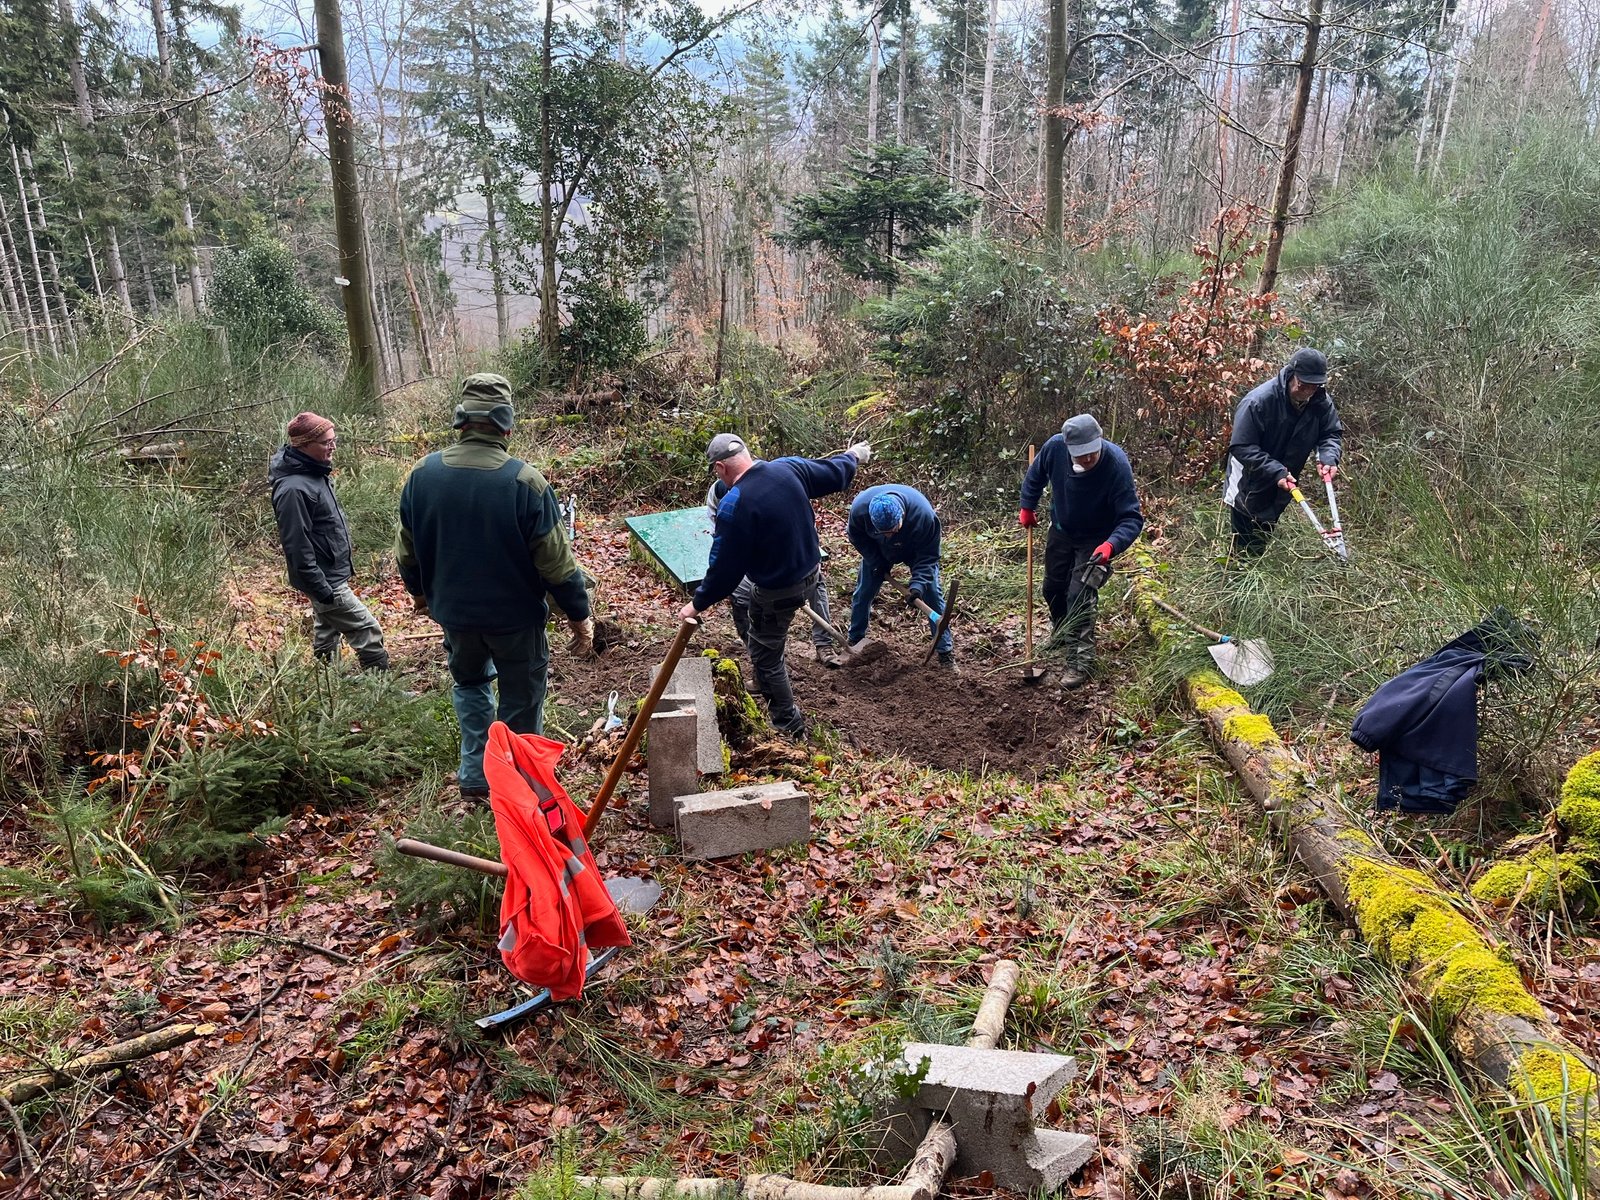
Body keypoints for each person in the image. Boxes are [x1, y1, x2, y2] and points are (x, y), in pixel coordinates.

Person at [396, 374, 594, 799]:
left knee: (469, 686)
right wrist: (579, 616)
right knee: (521, 702)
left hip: (455, 616)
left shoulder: (421, 475)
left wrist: (418, 594)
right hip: (515, 622)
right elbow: (558, 566)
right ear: (506, 424)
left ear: (462, 420)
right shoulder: (526, 482)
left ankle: (476, 778)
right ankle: (521, 789)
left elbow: (407, 552)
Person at [677, 433, 868, 740]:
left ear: (722, 468)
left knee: (766, 658)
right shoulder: (787, 468)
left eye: (716, 470)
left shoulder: (734, 504)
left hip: (779, 591)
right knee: (740, 596)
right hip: (810, 573)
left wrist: (696, 604)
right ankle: (754, 639)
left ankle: (789, 726)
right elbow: (835, 474)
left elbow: (724, 571)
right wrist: (854, 456)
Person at [1019, 413, 1144, 690]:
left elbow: (1132, 518)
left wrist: (1111, 545)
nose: (1086, 459)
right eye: (1080, 455)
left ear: (1099, 442)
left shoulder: (1115, 463)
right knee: (1052, 588)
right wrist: (1027, 506)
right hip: (1062, 530)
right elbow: (1035, 476)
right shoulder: (1054, 448)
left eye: (1091, 453)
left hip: (1096, 541)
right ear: (1068, 447)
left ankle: (1080, 661)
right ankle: (1063, 632)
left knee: (1080, 597)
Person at [269, 411, 390, 671]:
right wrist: (319, 586)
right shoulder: (293, 489)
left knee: (327, 630)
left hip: (330, 574)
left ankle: (328, 687)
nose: (333, 446)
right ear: (304, 445)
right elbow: (296, 545)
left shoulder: (315, 474)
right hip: (324, 579)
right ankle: (383, 692)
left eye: (334, 440)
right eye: (326, 442)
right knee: (367, 630)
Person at [707, 480, 845, 669]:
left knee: (816, 581)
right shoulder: (718, 495)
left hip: (789, 552)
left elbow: (799, 528)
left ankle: (824, 645)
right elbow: (724, 540)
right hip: (750, 561)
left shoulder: (770, 488)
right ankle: (759, 657)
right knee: (740, 597)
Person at [1223, 347, 1344, 556]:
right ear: (1292, 375)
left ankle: (1254, 564)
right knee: (1245, 542)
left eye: (1314, 386)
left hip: (1284, 481)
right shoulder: (1258, 402)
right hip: (1248, 482)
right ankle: (1238, 577)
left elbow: (1330, 433)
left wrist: (1328, 457)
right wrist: (1275, 470)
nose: (1307, 391)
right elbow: (1242, 446)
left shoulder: (1320, 402)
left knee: (1264, 531)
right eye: (1303, 384)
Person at [845, 484, 955, 669]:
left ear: (902, 516)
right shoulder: (859, 510)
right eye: (884, 532)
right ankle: (855, 641)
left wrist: (918, 585)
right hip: (877, 550)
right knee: (863, 593)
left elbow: (928, 556)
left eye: (893, 529)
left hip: (914, 550)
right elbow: (857, 538)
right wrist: (875, 561)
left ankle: (945, 654)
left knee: (933, 596)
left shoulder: (923, 517)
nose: (889, 535)